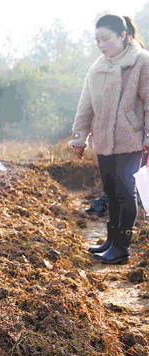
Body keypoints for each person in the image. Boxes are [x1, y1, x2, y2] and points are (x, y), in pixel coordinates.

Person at [69, 14, 149, 264]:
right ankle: (111, 240)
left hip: (132, 139)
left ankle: (122, 247)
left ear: (123, 36)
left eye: (106, 39)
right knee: (111, 191)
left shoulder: (141, 62)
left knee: (125, 192)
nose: (101, 44)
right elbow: (86, 106)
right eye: (97, 40)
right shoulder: (97, 67)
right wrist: (79, 138)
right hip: (103, 140)